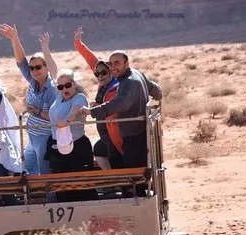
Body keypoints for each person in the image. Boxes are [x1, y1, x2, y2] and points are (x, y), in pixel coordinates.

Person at [81, 50, 162, 173]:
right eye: (111, 63)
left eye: (117, 63)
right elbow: (155, 89)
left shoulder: (129, 82)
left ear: (126, 63)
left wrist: (92, 112)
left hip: (133, 135)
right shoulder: (136, 74)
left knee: (133, 173)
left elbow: (119, 103)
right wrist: (158, 96)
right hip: (138, 131)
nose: (113, 67)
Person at [0, 24, 58, 175]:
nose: (34, 71)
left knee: (44, 172)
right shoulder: (33, 81)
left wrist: (36, 111)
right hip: (32, 136)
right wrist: (14, 39)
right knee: (27, 171)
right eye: (32, 68)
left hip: (45, 137)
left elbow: (55, 118)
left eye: (38, 67)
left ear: (46, 67)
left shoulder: (52, 89)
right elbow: (21, 61)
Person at [73, 27, 122, 170]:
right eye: (97, 74)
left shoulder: (116, 87)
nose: (100, 76)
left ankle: (119, 179)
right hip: (105, 132)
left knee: (115, 158)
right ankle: (110, 177)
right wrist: (78, 43)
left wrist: (95, 108)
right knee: (100, 150)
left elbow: (111, 107)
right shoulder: (103, 82)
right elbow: (91, 60)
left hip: (115, 132)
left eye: (104, 73)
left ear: (111, 72)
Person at [47, 68, 96, 202]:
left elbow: (75, 111)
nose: (64, 89)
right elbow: (53, 71)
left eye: (68, 85)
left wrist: (66, 121)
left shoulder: (80, 98)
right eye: (60, 87)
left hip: (77, 147)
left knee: (81, 186)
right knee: (62, 187)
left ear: (74, 84)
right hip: (58, 147)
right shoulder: (59, 98)